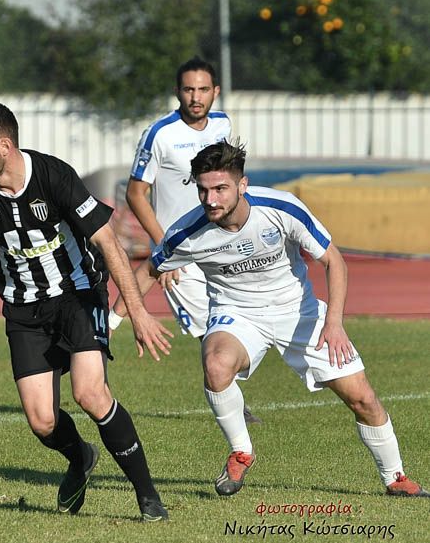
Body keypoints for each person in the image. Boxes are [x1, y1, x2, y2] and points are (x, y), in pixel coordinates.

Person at [0, 99, 174, 521]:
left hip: (78, 294)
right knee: (42, 421)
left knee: (90, 393)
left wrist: (139, 312)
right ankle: (80, 458)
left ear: (4, 147)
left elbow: (107, 241)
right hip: (23, 308)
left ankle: (148, 496)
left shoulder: (53, 176)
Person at [145, 139, 427, 497]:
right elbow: (149, 270)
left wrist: (334, 323)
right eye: (203, 190)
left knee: (363, 399)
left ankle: (395, 478)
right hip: (237, 314)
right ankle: (241, 452)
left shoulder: (280, 207)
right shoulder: (187, 232)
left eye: (220, 189)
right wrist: (134, 315)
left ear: (242, 185)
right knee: (216, 364)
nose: (211, 199)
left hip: (299, 311)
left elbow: (333, 260)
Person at [109, 56, 262, 424]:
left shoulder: (223, 124)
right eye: (189, 89)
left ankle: (102, 329)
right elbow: (135, 194)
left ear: (216, 92)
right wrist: (164, 246)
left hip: (218, 242)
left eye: (203, 89)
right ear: (177, 91)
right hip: (180, 250)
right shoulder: (160, 134)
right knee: (210, 327)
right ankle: (234, 405)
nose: (196, 97)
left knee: (237, 316)